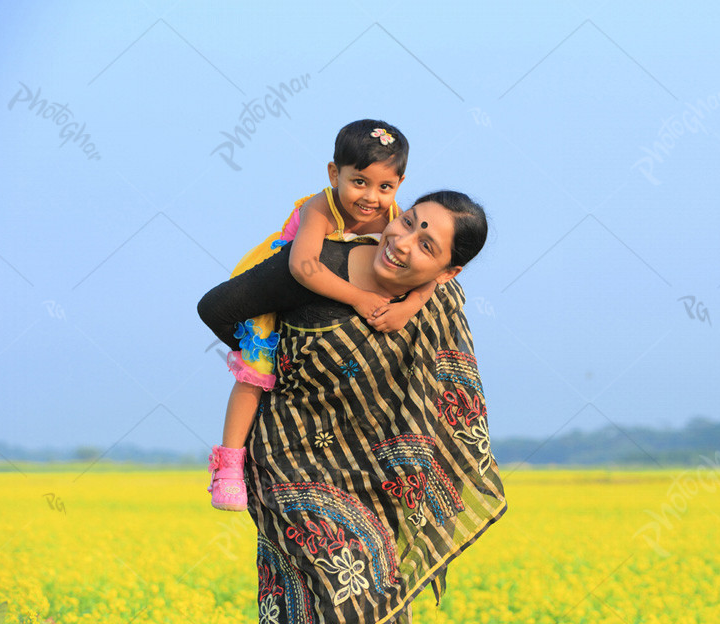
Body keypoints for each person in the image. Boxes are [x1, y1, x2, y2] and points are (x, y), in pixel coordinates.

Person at [198, 191, 506, 623]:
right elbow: (217, 307)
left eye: (427, 245)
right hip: (290, 467)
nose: (402, 242)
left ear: (448, 271)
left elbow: (449, 395)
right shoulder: (314, 267)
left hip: (379, 483)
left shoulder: (439, 302)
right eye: (409, 222)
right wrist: (266, 357)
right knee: (345, 592)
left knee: (381, 606)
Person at [208, 119, 439, 512]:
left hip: (328, 307)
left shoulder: (398, 219)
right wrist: (360, 299)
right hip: (280, 289)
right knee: (255, 371)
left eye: (385, 187)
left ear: (400, 183)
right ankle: (228, 465)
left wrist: (410, 306)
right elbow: (303, 267)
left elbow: (430, 272)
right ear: (335, 174)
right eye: (359, 182)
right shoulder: (321, 207)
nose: (371, 197)